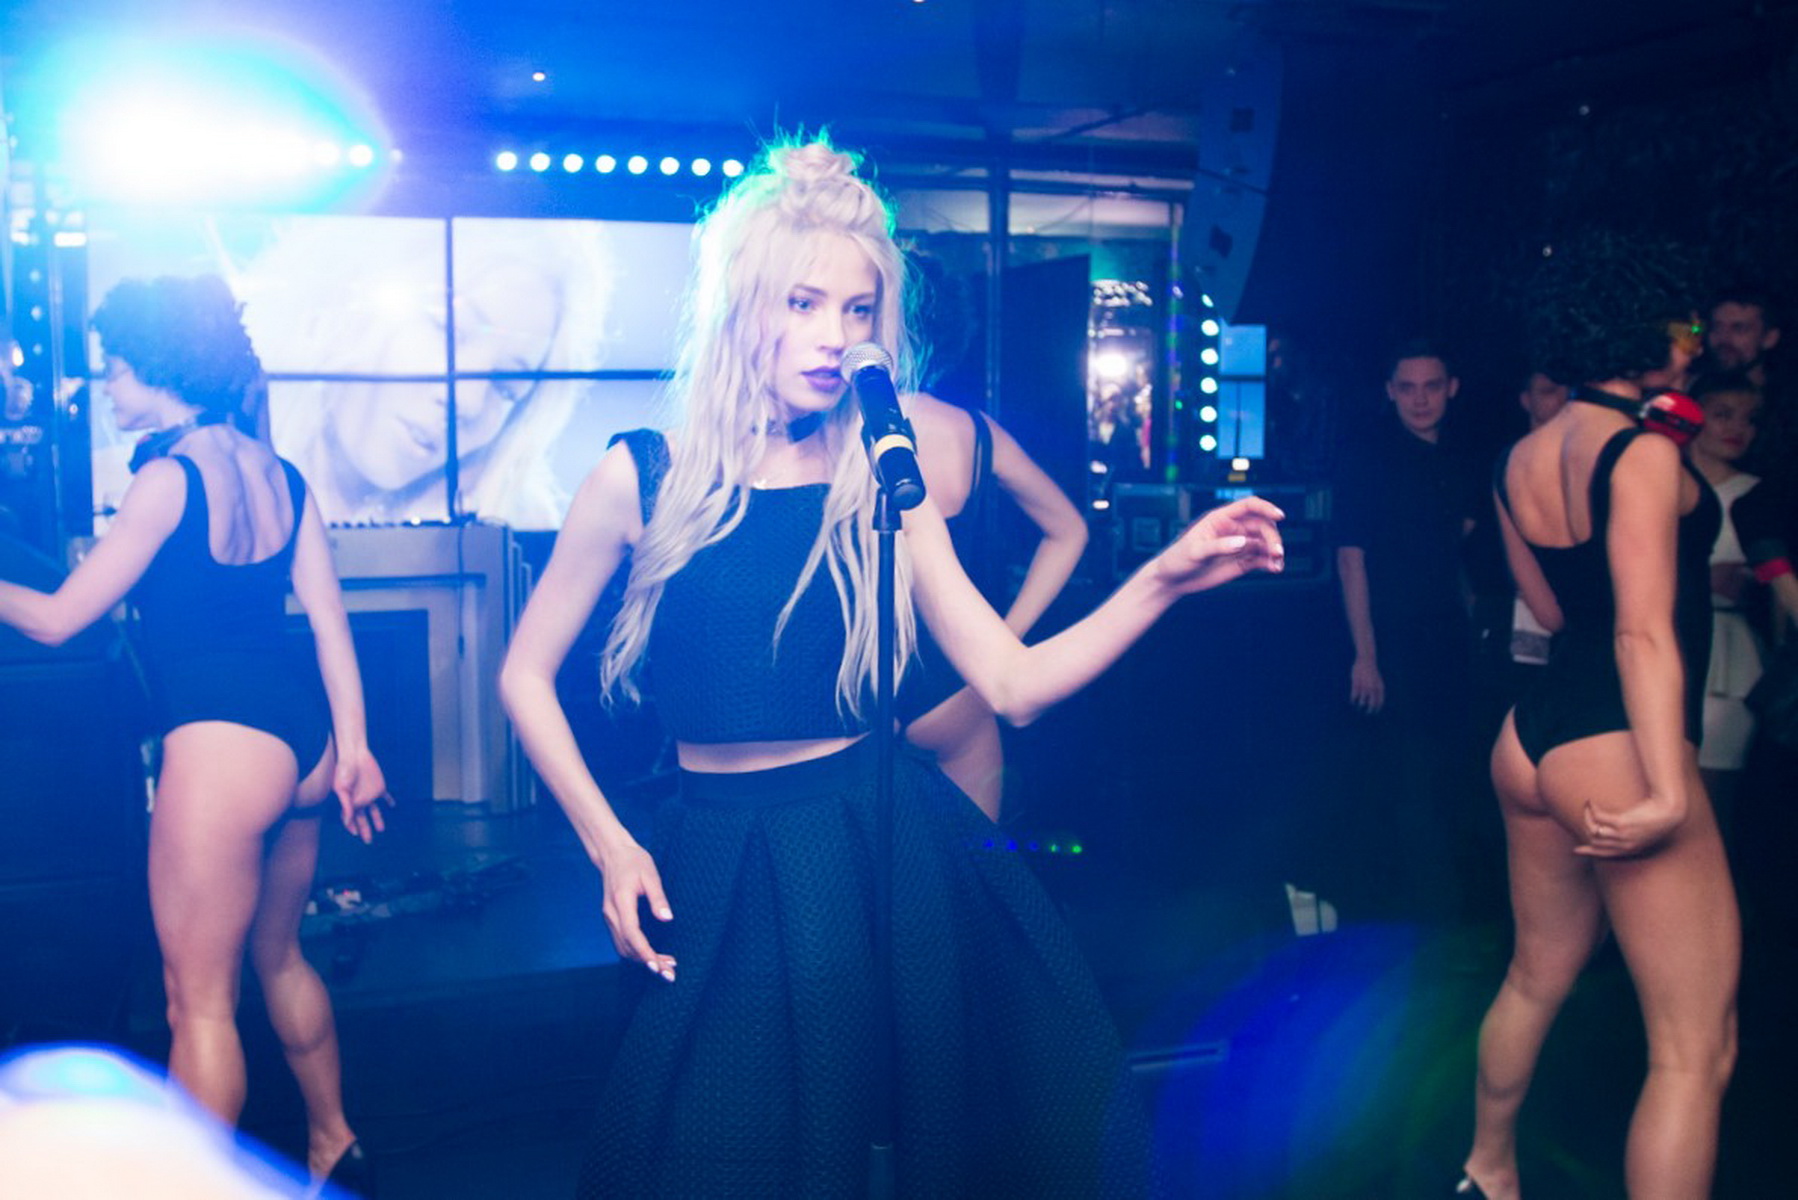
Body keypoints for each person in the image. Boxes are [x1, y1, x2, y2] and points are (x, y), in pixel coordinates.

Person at [498, 139, 1284, 1196]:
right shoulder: (640, 475)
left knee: (878, 1145)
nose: (836, 336)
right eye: (804, 303)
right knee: (687, 1145)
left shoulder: (881, 477)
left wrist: (1162, 579)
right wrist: (610, 847)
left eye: (858, 309)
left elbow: (1010, 685)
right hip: (712, 856)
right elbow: (524, 675)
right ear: (740, 308)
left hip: (871, 850)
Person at [0, 276, 388, 1191]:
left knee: (199, 1005)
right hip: (303, 739)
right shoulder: (281, 474)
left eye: (115, 369)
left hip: (223, 746)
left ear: (160, 369)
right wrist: (356, 749)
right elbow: (330, 623)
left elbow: (58, 619)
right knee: (280, 955)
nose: (106, 386)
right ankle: (334, 1143)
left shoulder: (166, 480)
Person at [1458, 240, 1738, 1200]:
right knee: (1694, 1050)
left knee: (1535, 978)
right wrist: (1666, 790)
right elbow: (1641, 635)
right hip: (1618, 742)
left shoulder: (1520, 457)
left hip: (1533, 735)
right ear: (1637, 329)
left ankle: (1486, 1171)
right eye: (1683, 326)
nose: (1693, 343)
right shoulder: (1643, 453)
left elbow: (1548, 609)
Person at [243, 218, 615, 526]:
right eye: (450, 331)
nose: (468, 400)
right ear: (350, 299)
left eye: (506, 387)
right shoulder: (227, 474)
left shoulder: (516, 522)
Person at [899, 250, 1089, 820]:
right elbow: (1070, 531)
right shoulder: (977, 433)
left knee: (865, 871)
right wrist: (1004, 639)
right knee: (974, 866)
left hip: (855, 692)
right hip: (959, 689)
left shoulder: (833, 432)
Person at [1333, 341, 1484, 924]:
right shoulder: (1369, 459)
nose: (1420, 400)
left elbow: (1456, 552)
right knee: (1404, 773)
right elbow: (1351, 559)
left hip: (1446, 633)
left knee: (1446, 768)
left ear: (1452, 389)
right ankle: (1413, 914)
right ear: (1390, 391)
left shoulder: (1459, 458)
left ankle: (1444, 908)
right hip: (1390, 635)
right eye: (1408, 388)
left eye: (1431, 386)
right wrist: (1365, 655)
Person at [1684, 371, 1767, 831]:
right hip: (1667, 640)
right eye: (1723, 415)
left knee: (1713, 805)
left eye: (1749, 419)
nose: (1738, 428)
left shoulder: (1759, 495)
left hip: (1729, 653)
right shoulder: (1663, 482)